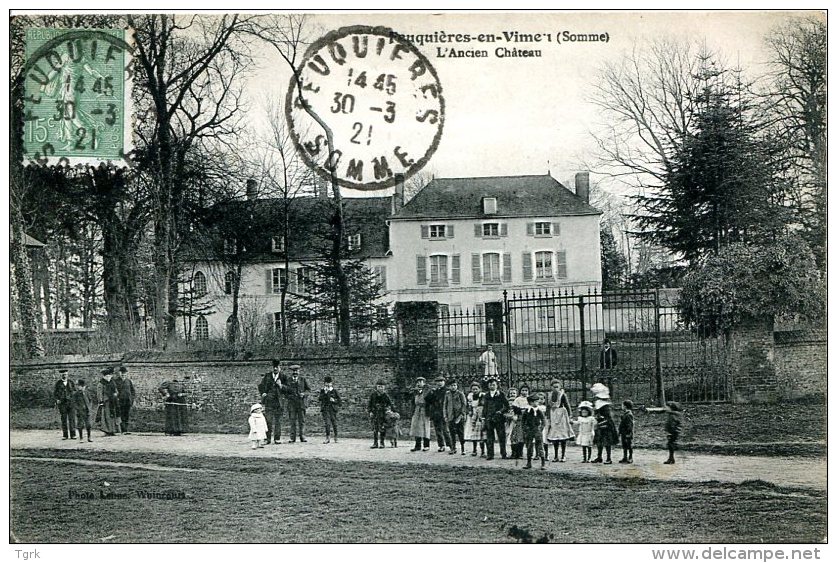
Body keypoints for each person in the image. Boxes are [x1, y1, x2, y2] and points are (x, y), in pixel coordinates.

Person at [546, 379, 575, 462]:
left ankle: (563, 455)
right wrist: (547, 416)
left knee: (562, 436)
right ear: (551, 387)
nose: (555, 389)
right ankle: (555, 456)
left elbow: (567, 405)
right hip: (553, 415)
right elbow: (548, 407)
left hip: (562, 415)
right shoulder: (549, 395)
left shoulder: (562, 395)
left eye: (557, 387)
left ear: (560, 387)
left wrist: (570, 416)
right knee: (555, 436)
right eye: (553, 387)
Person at [481, 376, 509, 460]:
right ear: (488, 386)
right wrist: (483, 417)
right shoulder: (486, 395)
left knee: (501, 436)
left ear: (497, 385)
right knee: (490, 437)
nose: (492, 386)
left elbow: (507, 406)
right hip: (489, 418)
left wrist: (501, 411)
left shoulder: (501, 394)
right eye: (490, 385)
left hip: (499, 418)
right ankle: (490, 454)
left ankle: (503, 453)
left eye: (493, 385)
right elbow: (485, 407)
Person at [258, 359, 285, 445]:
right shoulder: (267, 376)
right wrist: (263, 393)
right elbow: (261, 386)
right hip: (269, 402)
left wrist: (281, 386)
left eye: (277, 367)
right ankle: (267, 439)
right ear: (272, 368)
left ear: (280, 368)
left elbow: (289, 389)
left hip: (279, 403)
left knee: (278, 421)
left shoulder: (283, 377)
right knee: (268, 420)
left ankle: (277, 438)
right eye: (274, 367)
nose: (275, 369)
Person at [590, 382, 619, 464]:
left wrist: (600, 419)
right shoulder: (598, 404)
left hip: (606, 425)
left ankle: (608, 458)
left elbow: (608, 417)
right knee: (599, 441)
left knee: (607, 442)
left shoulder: (605, 406)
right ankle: (599, 457)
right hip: (600, 425)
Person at [283, 365, 310, 443]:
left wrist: (304, 394)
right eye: (293, 371)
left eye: (296, 371)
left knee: (302, 421)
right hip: (292, 404)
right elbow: (285, 392)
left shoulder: (303, 380)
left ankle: (303, 436)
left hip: (301, 403)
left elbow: (308, 390)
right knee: (292, 421)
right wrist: (290, 396)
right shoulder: (288, 380)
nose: (295, 373)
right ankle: (292, 438)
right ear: (291, 372)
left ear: (299, 371)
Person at [521, 393, 547, 470]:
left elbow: (543, 420)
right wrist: (525, 428)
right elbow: (523, 420)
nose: (537, 403)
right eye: (535, 401)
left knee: (540, 446)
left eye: (537, 401)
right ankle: (529, 463)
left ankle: (543, 463)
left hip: (537, 430)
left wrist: (541, 428)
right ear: (530, 403)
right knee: (529, 446)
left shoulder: (539, 410)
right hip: (529, 430)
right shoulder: (527, 411)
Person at [428, 376, 452, 453]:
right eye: (438, 381)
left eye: (441, 381)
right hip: (436, 413)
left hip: (444, 412)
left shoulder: (447, 391)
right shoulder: (434, 391)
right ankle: (441, 445)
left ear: (444, 382)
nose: (439, 383)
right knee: (438, 430)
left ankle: (450, 445)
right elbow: (428, 400)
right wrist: (430, 392)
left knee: (445, 430)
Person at [443, 379, 467, 455]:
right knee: (452, 433)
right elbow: (445, 405)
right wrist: (445, 416)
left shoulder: (460, 394)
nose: (453, 387)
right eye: (451, 386)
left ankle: (463, 448)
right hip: (450, 416)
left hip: (459, 416)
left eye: (454, 385)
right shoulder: (447, 394)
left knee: (460, 433)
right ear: (449, 387)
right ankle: (453, 448)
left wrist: (461, 415)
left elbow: (464, 405)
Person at [409, 376, 432, 452]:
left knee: (425, 428)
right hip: (417, 410)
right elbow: (412, 402)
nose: (419, 383)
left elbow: (430, 400)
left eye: (421, 382)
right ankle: (417, 445)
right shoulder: (415, 392)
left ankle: (426, 445)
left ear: (424, 383)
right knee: (416, 428)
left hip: (425, 410)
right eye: (418, 382)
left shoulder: (428, 391)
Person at [368, 380, 393, 449]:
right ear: (376, 387)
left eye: (382, 387)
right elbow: (369, 404)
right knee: (375, 429)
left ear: (384, 387)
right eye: (379, 386)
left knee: (382, 428)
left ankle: (382, 443)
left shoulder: (385, 396)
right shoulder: (373, 395)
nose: (380, 388)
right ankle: (375, 443)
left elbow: (390, 404)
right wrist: (370, 411)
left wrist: (389, 411)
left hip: (383, 414)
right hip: (375, 413)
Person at [463, 381, 485, 457]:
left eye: (476, 389)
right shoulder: (470, 396)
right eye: (473, 389)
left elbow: (482, 405)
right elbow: (469, 406)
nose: (475, 391)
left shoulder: (482, 396)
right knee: (474, 434)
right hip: (472, 416)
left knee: (482, 434)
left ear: (479, 389)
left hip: (480, 415)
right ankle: (474, 450)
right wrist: (469, 411)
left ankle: (483, 451)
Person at [53, 369, 76, 440]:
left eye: (66, 374)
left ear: (67, 375)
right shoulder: (58, 383)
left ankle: (73, 434)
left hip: (71, 403)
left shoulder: (71, 382)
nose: (64, 376)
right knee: (64, 419)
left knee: (72, 419)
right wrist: (57, 400)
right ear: (61, 375)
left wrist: (73, 399)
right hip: (62, 404)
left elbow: (74, 391)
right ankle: (65, 435)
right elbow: (55, 393)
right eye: (63, 375)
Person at [318, 376, 342, 444]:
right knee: (327, 424)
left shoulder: (334, 391)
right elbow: (319, 399)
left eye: (329, 383)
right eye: (326, 383)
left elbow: (340, 401)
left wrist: (334, 400)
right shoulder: (323, 391)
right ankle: (327, 438)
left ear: (331, 383)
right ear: (324, 383)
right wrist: (325, 393)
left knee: (334, 423)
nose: (328, 384)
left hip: (332, 409)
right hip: (325, 409)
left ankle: (336, 437)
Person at [97, 367, 120, 436]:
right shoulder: (101, 384)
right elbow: (99, 393)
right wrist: (101, 401)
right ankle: (107, 430)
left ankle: (113, 430)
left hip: (112, 402)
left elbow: (116, 390)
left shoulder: (112, 382)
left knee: (113, 416)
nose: (108, 377)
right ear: (104, 376)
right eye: (107, 376)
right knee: (106, 417)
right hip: (106, 402)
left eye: (109, 376)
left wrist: (116, 394)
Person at [508, 386, 529, 460]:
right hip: (518, 419)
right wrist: (520, 411)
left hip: (526, 420)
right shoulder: (517, 399)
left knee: (522, 437)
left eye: (526, 390)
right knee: (514, 436)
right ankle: (514, 453)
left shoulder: (529, 399)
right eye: (523, 390)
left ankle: (520, 453)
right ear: (520, 391)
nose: (524, 392)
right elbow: (515, 408)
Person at [114, 366, 136, 434]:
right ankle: (121, 429)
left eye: (125, 373)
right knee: (121, 415)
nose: (123, 375)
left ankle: (125, 430)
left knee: (126, 415)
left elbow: (133, 391)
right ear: (119, 373)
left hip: (128, 401)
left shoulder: (128, 381)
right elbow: (114, 391)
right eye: (122, 373)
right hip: (120, 401)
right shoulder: (116, 381)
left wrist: (132, 399)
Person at [619, 399, 635, 464]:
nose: (621, 407)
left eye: (622, 405)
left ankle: (630, 457)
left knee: (629, 445)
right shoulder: (625, 414)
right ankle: (625, 457)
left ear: (625, 406)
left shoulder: (629, 414)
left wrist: (629, 433)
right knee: (624, 445)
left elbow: (630, 425)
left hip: (627, 433)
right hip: (624, 432)